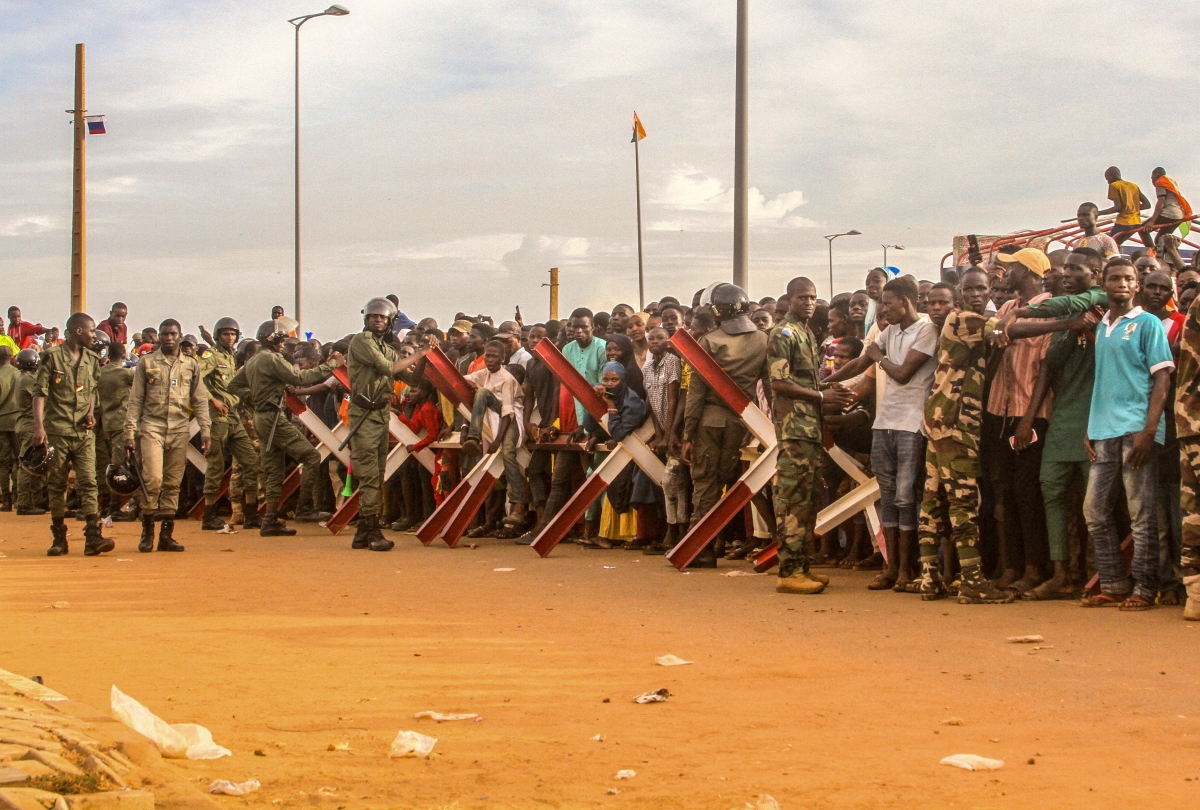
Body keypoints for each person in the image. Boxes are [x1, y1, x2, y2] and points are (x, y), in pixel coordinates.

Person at [1004, 248, 1105, 601]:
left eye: (1075, 268)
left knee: (1095, 505)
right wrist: (1029, 418)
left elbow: (1063, 309)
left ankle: (1100, 577)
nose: (1067, 273)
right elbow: (1047, 369)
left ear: (1096, 271)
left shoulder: (1099, 303)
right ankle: (1062, 574)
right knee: (1052, 493)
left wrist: (1026, 310)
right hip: (1062, 422)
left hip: (1095, 422)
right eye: (1066, 268)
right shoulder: (1068, 319)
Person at [826, 277, 938, 591]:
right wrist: (824, 384)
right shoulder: (890, 331)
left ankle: (906, 569)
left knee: (906, 498)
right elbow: (862, 363)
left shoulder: (926, 330)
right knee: (888, 498)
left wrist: (879, 358)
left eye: (888, 303)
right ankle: (892, 569)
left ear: (907, 301)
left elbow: (902, 374)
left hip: (911, 425)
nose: (883, 310)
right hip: (884, 424)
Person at [1081, 257, 1174, 610]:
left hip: (1136, 428)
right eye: (1115, 278)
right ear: (1104, 284)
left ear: (1137, 285)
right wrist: (1090, 427)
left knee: (1141, 513)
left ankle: (1145, 588)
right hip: (1104, 430)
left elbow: (1162, 377)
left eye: (1128, 278)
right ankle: (1114, 583)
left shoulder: (1148, 324)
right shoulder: (1103, 325)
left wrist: (1150, 430)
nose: (1122, 283)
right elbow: (1102, 380)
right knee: (1095, 510)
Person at [916, 269, 1014, 603]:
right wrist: (1066, 323)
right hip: (956, 421)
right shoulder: (962, 320)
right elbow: (1011, 329)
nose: (977, 294)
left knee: (931, 499)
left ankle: (930, 577)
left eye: (982, 289)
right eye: (970, 289)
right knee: (963, 501)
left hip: (939, 419)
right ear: (961, 292)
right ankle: (972, 580)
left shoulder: (964, 320)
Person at [768, 277, 853, 594]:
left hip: (810, 428)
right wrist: (820, 398)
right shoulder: (783, 334)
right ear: (790, 300)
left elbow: (806, 383)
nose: (809, 303)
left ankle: (801, 566)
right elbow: (779, 384)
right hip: (794, 429)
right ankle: (789, 572)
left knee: (808, 499)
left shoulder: (806, 333)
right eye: (802, 297)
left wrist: (828, 391)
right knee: (793, 500)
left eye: (813, 298)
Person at [681, 283, 771, 567]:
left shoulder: (710, 341)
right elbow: (769, 386)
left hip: (708, 420)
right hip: (740, 421)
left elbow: (696, 393)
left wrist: (687, 434)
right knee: (733, 482)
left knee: (705, 484)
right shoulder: (763, 340)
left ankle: (701, 548)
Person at [228, 321, 344, 537]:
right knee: (311, 457)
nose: (283, 344)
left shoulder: (254, 361)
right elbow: (300, 378)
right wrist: (332, 365)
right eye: (281, 340)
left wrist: (255, 398)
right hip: (273, 418)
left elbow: (232, 386)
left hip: (261, 417)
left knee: (274, 470)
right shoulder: (271, 359)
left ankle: (270, 519)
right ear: (271, 339)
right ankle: (304, 508)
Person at [986, 248, 1055, 596]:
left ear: (1027, 271)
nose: (1005, 271)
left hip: (1030, 415)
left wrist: (1028, 420)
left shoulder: (1049, 309)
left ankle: (1033, 567)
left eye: (1012, 266)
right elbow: (994, 338)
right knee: (1008, 493)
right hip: (1002, 412)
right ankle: (1012, 565)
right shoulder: (1008, 308)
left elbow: (1045, 370)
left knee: (1028, 493)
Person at [346, 298, 428, 551]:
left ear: (390, 321)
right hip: (364, 413)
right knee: (370, 474)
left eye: (382, 317)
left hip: (380, 414)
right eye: (373, 317)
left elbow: (413, 378)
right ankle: (371, 531)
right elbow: (387, 368)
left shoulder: (388, 348)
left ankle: (362, 532)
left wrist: (426, 354)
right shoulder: (362, 342)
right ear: (366, 320)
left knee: (377, 472)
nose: (377, 320)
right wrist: (419, 353)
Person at [123, 319, 211, 553]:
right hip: (152, 427)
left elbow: (200, 399)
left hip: (179, 428)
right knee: (152, 479)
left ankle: (166, 535)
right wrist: (129, 431)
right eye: (164, 334)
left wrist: (206, 429)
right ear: (159, 336)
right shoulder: (147, 362)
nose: (168, 338)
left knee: (173, 483)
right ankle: (147, 530)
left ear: (180, 336)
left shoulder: (191, 365)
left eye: (173, 334)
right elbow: (136, 399)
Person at [31, 313, 113, 556]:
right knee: (56, 484)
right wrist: (39, 428)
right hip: (57, 431)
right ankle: (59, 537)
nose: (93, 336)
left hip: (83, 432)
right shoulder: (52, 357)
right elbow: (40, 393)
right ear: (78, 331)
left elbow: (92, 390)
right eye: (90, 332)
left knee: (88, 482)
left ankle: (93, 537)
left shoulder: (91, 358)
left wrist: (90, 413)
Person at [197, 318, 262, 531]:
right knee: (215, 465)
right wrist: (212, 399)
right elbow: (194, 376)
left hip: (233, 415)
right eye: (226, 334)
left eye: (233, 334)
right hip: (217, 416)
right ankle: (209, 515)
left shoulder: (231, 357)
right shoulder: (212, 356)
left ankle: (251, 512)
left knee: (251, 461)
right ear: (218, 336)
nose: (230, 337)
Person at [459, 339, 526, 530]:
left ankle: (518, 506)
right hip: (495, 417)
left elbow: (508, 412)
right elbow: (465, 379)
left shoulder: (507, 379)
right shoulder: (485, 374)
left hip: (511, 419)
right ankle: (473, 437)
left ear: (503, 359)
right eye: (488, 355)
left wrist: (498, 439)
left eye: (495, 356)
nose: (490, 359)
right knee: (480, 394)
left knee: (507, 453)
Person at [642, 327, 681, 554]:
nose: (655, 342)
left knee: (674, 483)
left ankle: (676, 531)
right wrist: (658, 433)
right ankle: (672, 529)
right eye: (652, 339)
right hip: (663, 430)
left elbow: (673, 400)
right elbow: (652, 404)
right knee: (669, 484)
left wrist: (669, 434)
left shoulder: (672, 362)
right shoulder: (647, 368)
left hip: (676, 431)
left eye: (660, 338)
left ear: (668, 341)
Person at [96, 342, 137, 522]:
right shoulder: (124, 374)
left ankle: (105, 504)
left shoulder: (100, 373)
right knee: (119, 465)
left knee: (107, 464)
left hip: (106, 422)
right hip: (121, 423)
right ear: (123, 355)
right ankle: (114, 507)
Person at [12, 349, 45, 516]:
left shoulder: (22, 377)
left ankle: (33, 500)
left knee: (32, 463)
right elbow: (42, 394)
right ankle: (24, 503)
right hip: (29, 424)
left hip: (24, 423)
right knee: (26, 465)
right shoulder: (28, 379)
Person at [1099, 166, 1152, 249]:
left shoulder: (1114, 186)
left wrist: (1098, 213)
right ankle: (1154, 253)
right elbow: (1147, 205)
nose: (1108, 182)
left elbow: (1118, 208)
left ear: (1113, 176)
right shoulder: (1133, 186)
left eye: (1108, 179)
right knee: (1114, 242)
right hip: (1136, 222)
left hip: (1124, 222)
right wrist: (1132, 207)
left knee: (1107, 245)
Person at [0, 347, 18, 511]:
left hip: (1, 422)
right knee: (20, 460)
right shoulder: (19, 374)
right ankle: (18, 497)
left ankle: (5, 500)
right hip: (17, 421)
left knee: (3, 463)